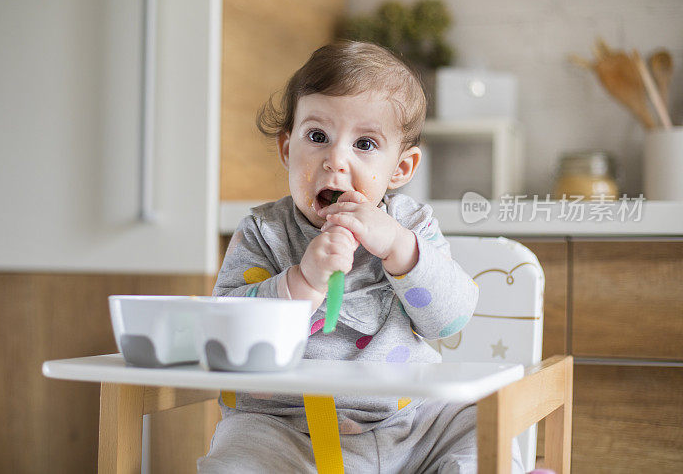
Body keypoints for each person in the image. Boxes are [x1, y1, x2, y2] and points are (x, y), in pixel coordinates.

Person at [198, 41, 524, 473]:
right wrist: (303, 282)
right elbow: (227, 332)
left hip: (410, 426)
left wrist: (398, 248)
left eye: (365, 143)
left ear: (401, 170)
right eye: (318, 137)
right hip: (287, 430)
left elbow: (451, 320)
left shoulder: (412, 225)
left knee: (483, 425)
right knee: (238, 455)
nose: (336, 160)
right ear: (286, 149)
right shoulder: (263, 231)